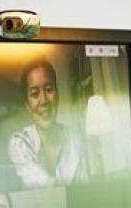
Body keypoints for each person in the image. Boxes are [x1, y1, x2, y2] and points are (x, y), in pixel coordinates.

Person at [7, 57, 86, 188]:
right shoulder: (19, 142)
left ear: (58, 95)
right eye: (34, 94)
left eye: (49, 89)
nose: (43, 101)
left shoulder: (76, 139)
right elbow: (47, 189)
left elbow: (84, 190)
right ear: (27, 105)